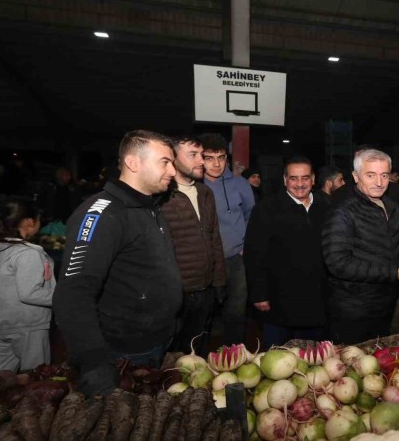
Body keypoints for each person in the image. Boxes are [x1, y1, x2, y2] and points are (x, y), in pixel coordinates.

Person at [53, 130, 182, 397]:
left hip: (157, 339)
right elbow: (73, 293)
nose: (173, 171)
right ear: (133, 163)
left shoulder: (149, 207)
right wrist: (94, 360)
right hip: (123, 351)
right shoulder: (102, 213)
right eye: (165, 162)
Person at [322, 149, 399, 344]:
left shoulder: (392, 206)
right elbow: (337, 263)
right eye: (370, 175)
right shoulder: (343, 212)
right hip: (352, 310)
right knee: (351, 360)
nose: (379, 182)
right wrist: (395, 273)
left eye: (384, 175)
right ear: (356, 177)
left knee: (378, 357)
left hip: (385, 304)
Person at [244, 156, 330, 347]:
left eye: (305, 178)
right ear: (285, 180)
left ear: (313, 179)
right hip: (279, 302)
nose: (299, 184)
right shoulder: (266, 209)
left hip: (317, 302)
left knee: (313, 357)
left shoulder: (327, 206)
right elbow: (254, 255)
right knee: (277, 357)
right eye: (293, 178)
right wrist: (259, 294)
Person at [0, 198, 55, 375]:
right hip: (27, 326)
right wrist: (65, 296)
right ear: (30, 222)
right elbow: (30, 293)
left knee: (0, 374)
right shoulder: (27, 253)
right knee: (36, 374)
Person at [161, 136, 226, 356]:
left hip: (206, 289)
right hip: (176, 294)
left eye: (201, 155)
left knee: (197, 352)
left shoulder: (205, 192)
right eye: (193, 155)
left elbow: (214, 238)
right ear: (173, 158)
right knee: (172, 356)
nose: (201, 161)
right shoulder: (162, 195)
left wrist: (219, 281)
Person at [199, 133, 255, 346]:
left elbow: (251, 216)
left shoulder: (241, 184)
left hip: (236, 259)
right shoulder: (194, 185)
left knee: (236, 312)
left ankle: (234, 355)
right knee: (204, 314)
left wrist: (245, 245)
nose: (216, 164)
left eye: (221, 158)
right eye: (209, 158)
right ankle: (199, 358)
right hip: (206, 261)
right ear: (201, 159)